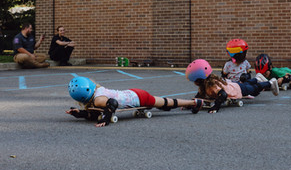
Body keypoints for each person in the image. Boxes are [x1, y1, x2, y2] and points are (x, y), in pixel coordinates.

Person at [66, 76, 204, 127]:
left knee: (165, 103)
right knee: (164, 103)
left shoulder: (98, 99)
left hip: (139, 97)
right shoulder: (98, 91)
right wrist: (79, 113)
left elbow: (112, 103)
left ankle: (194, 103)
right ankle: (192, 103)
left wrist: (106, 119)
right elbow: (94, 114)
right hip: (133, 93)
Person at [186, 59, 279, 113]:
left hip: (238, 90)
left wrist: (215, 107)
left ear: (200, 78)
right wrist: (190, 105)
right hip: (234, 86)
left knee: (255, 89)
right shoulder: (205, 84)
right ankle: (257, 78)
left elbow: (223, 95)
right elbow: (199, 97)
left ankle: (271, 83)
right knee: (248, 84)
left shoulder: (211, 85)